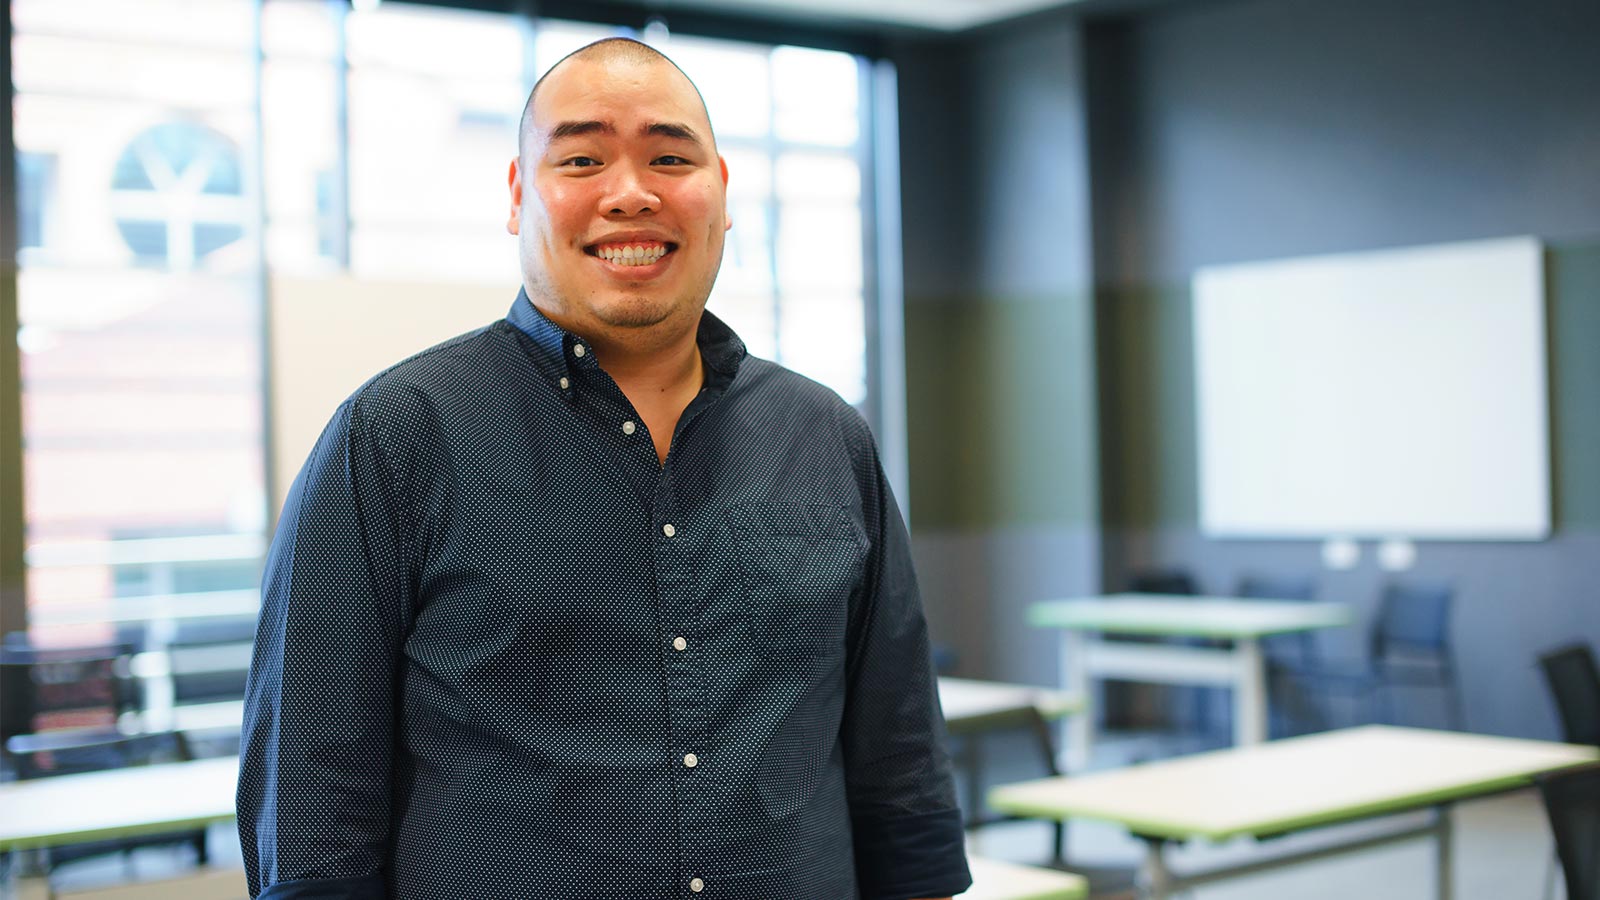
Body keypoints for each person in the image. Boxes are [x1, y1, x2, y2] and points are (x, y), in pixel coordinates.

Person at [237, 37, 969, 900]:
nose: (630, 193)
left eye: (669, 157)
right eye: (582, 158)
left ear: (722, 193)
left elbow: (898, 754)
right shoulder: (394, 437)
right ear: (519, 196)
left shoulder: (823, 435)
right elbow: (314, 807)